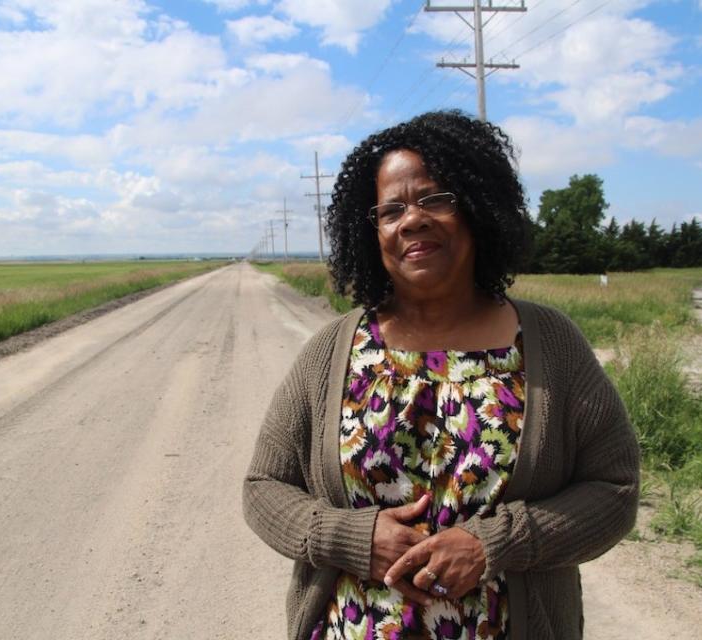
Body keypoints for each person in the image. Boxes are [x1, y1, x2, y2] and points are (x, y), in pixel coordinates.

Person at [243, 110, 639, 640]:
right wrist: (352, 538)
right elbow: (264, 486)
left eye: (434, 199)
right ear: (374, 231)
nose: (413, 220)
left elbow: (614, 489)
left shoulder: (552, 345)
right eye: (391, 210)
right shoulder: (331, 352)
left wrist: (494, 544)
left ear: (478, 207)